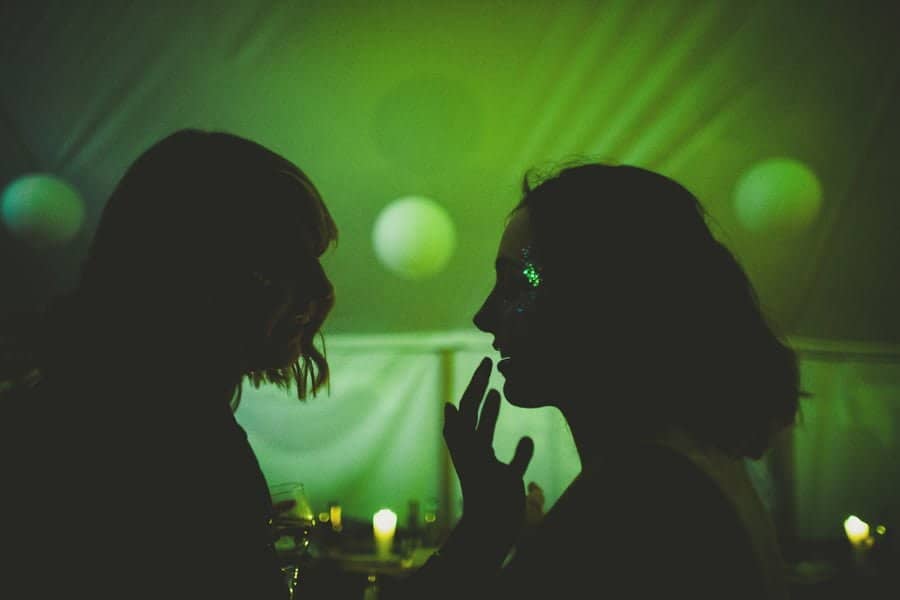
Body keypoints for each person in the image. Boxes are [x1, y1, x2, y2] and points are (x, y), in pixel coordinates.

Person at [391, 162, 800, 599]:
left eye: (516, 286)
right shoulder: (682, 468)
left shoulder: (638, 502)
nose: (484, 317)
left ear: (597, 300)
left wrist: (481, 536)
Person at [1, 129, 337, 599]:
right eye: (282, 260)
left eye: (315, 261)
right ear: (201, 269)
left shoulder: (79, 402)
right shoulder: (175, 440)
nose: (319, 289)